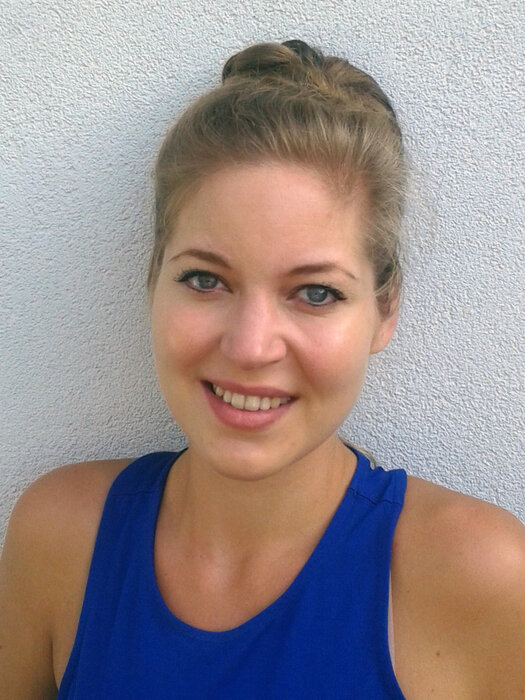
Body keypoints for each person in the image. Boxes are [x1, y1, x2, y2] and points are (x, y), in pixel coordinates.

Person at [1, 39, 524, 699]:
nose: (250, 348)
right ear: (153, 280)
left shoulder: (479, 574)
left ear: (384, 309)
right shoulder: (59, 538)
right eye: (205, 279)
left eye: (315, 293)